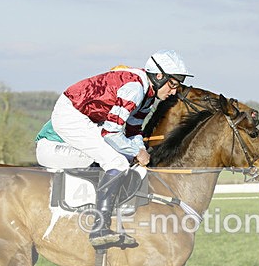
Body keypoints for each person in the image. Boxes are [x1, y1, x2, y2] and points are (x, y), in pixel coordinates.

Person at [35, 50, 192, 247]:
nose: (174, 91)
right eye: (173, 84)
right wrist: (136, 153)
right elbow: (111, 133)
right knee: (116, 161)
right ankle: (98, 228)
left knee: (123, 160)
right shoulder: (135, 88)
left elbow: (134, 130)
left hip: (86, 117)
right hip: (71, 114)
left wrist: (140, 151)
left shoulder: (148, 96)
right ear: (159, 76)